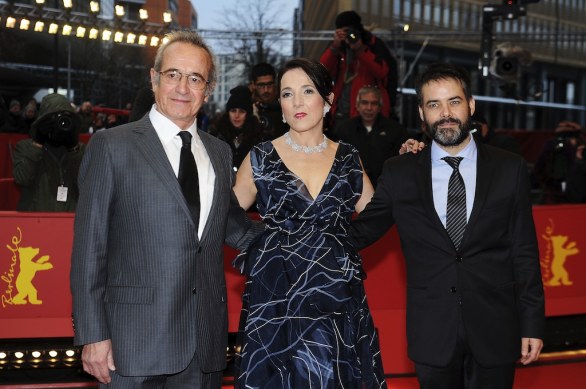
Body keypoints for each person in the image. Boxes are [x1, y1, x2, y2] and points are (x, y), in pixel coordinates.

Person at [70, 30, 263, 389]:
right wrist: (92, 334)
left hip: (203, 343)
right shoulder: (112, 146)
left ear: (208, 90)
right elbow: (88, 248)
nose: (182, 88)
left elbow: (233, 227)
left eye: (195, 79)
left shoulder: (220, 154)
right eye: (173, 74)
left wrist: (304, 237)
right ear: (155, 78)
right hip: (133, 346)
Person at [348, 63, 545, 388]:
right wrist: (303, 237)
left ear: (471, 105)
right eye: (434, 104)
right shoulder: (400, 171)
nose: (446, 113)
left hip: (496, 327)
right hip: (432, 331)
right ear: (422, 113)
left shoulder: (509, 168)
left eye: (454, 101)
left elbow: (524, 250)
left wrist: (533, 323)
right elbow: (361, 231)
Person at [232, 58, 387, 388]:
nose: (297, 102)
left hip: (335, 295)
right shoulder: (260, 157)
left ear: (328, 100)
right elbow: (223, 215)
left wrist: (340, 244)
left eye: (307, 91)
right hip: (278, 296)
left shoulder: (348, 157)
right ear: (281, 106)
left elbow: (378, 214)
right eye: (287, 94)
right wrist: (264, 245)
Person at [320, 10, 396, 125]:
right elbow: (322, 71)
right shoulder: (339, 47)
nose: (349, 35)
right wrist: (334, 47)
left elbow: (382, 72)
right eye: (344, 32)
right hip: (341, 113)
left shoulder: (373, 44)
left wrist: (360, 49)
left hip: (368, 117)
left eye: (350, 31)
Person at [13, 93, 85, 211]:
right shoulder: (25, 147)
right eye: (53, 119)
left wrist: (73, 148)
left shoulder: (79, 150)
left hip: (69, 222)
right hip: (35, 221)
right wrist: (38, 142)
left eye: (65, 119)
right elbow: (22, 179)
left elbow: (88, 184)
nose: (60, 124)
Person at [332, 85, 408, 186]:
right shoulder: (344, 130)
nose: (369, 108)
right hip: (350, 188)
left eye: (374, 103)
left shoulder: (395, 130)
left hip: (386, 188)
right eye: (364, 103)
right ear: (357, 105)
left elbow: (402, 165)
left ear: (380, 107)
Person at [209, 85, 263, 169]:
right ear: (228, 112)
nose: (236, 115)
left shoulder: (259, 138)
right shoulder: (217, 136)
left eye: (242, 111)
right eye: (233, 111)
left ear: (248, 114)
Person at [533, 120, 583, 204]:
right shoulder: (578, 147)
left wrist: (544, 182)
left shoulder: (550, 145)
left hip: (552, 192)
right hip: (574, 193)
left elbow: (538, 167)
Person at [250, 62, 289, 139]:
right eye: (261, 85)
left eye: (269, 84)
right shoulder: (247, 109)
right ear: (253, 85)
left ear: (275, 83)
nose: (266, 90)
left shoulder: (286, 106)